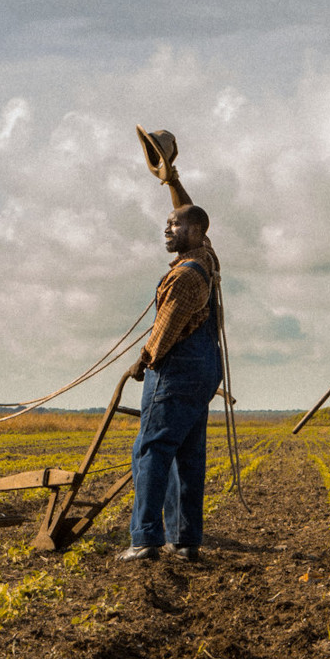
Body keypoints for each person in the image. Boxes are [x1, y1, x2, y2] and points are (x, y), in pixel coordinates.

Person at [119, 127, 221, 563]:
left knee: (152, 448)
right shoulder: (208, 259)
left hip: (176, 369)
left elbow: (163, 333)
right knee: (188, 453)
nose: (167, 226)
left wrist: (140, 363)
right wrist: (170, 178)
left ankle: (144, 538)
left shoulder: (183, 276)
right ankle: (186, 540)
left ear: (196, 232)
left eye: (174, 225)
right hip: (204, 368)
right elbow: (189, 210)